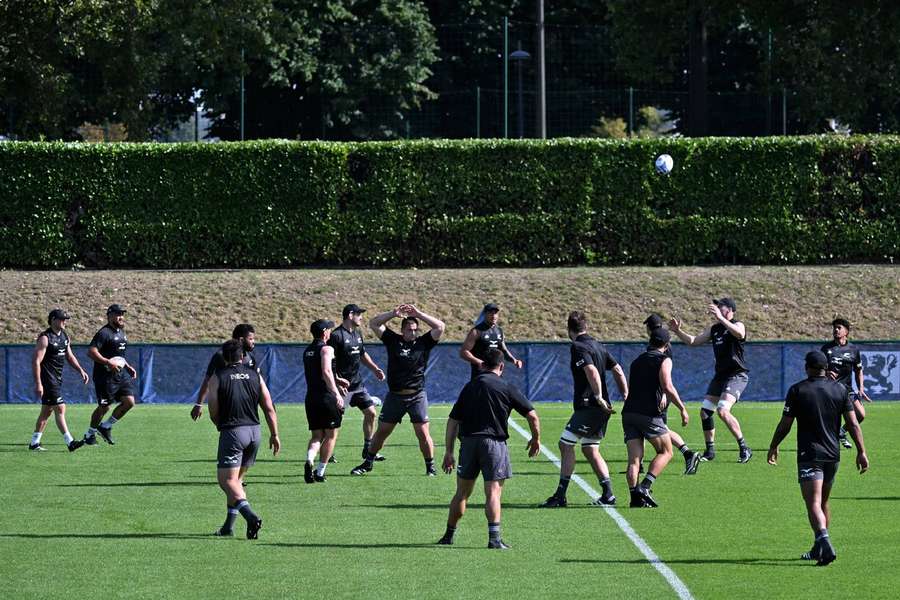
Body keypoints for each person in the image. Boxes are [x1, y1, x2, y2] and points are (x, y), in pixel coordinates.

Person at [767, 351, 868, 566]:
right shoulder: (840, 389)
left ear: (808, 367)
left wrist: (774, 445)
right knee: (823, 501)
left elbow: (786, 424)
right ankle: (817, 547)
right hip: (833, 455)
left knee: (812, 502)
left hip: (809, 454)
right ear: (825, 367)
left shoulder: (798, 390)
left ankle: (825, 542)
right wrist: (861, 451)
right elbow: (853, 424)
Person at [438, 349, 540, 549]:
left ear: (482, 365)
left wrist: (449, 451)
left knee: (462, 493)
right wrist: (535, 438)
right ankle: (494, 539)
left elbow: (453, 421)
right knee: (493, 492)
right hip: (494, 444)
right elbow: (533, 416)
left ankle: (448, 536)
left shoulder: (469, 387)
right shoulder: (507, 387)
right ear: (501, 366)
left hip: (468, 444)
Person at [539, 311, 627, 508]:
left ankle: (560, 496)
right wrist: (626, 395)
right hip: (601, 408)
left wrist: (597, 396)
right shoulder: (598, 345)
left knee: (565, 444)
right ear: (586, 326)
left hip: (590, 405)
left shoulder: (577, 346)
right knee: (589, 448)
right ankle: (608, 495)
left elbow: (592, 371)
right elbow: (618, 370)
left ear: (569, 330)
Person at [351, 304, 445, 477]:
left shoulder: (424, 343)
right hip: (395, 396)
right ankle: (368, 462)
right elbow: (374, 323)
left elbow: (440, 326)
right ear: (402, 330)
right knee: (382, 432)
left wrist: (419, 314)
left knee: (423, 433)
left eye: (415, 330)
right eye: (409, 329)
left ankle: (430, 466)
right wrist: (392, 314)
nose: (413, 332)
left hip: (416, 395)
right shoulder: (393, 340)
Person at [206, 340, 281, 539]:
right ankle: (228, 528)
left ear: (224, 356)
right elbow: (269, 406)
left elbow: (213, 408)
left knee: (227, 481)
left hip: (233, 432)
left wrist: (218, 425)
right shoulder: (255, 375)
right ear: (242, 356)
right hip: (254, 432)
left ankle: (251, 517)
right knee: (237, 481)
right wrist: (274, 434)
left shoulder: (218, 376)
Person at [670, 298, 752, 463]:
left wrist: (722, 319)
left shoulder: (738, 324)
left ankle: (744, 448)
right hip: (720, 376)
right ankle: (710, 451)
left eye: (719, 306)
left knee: (722, 410)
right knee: (705, 412)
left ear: (729, 309)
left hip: (736, 375)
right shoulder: (715, 329)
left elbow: (740, 333)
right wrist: (678, 331)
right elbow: (693, 341)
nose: (716, 307)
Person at [622, 328, 689, 508]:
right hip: (649, 414)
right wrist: (682, 408)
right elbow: (667, 385)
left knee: (634, 460)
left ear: (650, 341)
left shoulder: (637, 361)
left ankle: (634, 498)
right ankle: (645, 486)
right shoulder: (664, 359)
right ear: (667, 345)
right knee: (666, 452)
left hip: (628, 412)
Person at [328, 304, 387, 462]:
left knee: (371, 413)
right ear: (350, 315)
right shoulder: (336, 336)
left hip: (357, 384)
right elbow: (328, 362)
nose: (361, 317)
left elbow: (362, 353)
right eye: (359, 314)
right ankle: (327, 451)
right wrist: (336, 381)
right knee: (334, 422)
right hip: (341, 387)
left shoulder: (358, 333)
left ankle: (368, 449)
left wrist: (375, 369)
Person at [644, 314, 701, 475]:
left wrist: (662, 394)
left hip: (659, 394)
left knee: (657, 428)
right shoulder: (659, 341)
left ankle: (688, 454)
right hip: (656, 392)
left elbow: (664, 373)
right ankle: (687, 454)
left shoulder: (661, 345)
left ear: (649, 327)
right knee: (659, 428)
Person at [28, 309, 90, 452]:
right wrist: (38, 383)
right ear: (53, 320)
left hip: (57, 379)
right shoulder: (45, 338)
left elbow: (70, 356)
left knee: (47, 412)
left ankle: (34, 443)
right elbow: (36, 361)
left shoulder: (64, 336)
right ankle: (70, 442)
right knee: (60, 407)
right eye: (62, 319)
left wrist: (80, 370)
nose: (65, 322)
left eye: (66, 319)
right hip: (48, 380)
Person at [83, 304, 138, 446]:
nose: (121, 317)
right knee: (104, 407)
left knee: (129, 402)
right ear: (110, 315)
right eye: (118, 314)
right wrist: (107, 362)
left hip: (120, 374)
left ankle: (105, 426)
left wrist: (128, 366)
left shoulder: (121, 333)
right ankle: (89, 434)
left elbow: (118, 355)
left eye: (122, 314)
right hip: (105, 376)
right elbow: (91, 352)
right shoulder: (104, 333)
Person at [303, 319, 346, 483]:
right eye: (329, 329)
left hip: (311, 398)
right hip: (326, 398)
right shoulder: (326, 349)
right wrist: (336, 393)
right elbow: (326, 371)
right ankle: (320, 472)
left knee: (316, 436)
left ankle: (309, 459)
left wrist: (338, 380)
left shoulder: (307, 350)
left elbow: (319, 373)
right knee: (331, 435)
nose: (331, 332)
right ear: (324, 332)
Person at [191, 324, 259, 421]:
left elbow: (258, 383)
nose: (253, 342)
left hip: (248, 411)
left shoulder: (250, 358)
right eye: (251, 339)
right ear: (241, 340)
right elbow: (208, 380)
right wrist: (199, 404)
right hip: (228, 410)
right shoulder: (221, 356)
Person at [821, 318, 870, 448]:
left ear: (846, 331)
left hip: (846, 389)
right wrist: (825, 373)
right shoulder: (826, 349)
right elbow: (817, 368)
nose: (836, 330)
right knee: (830, 420)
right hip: (830, 389)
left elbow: (858, 370)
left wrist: (861, 389)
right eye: (834, 328)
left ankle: (841, 432)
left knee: (860, 415)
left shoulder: (853, 349)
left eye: (839, 328)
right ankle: (827, 443)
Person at [460, 302, 523, 380]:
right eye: (490, 313)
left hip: (496, 375)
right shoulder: (476, 331)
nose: (493, 316)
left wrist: (514, 360)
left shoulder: (499, 331)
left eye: (495, 313)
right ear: (485, 314)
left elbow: (504, 350)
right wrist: (479, 362)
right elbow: (464, 352)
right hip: (480, 375)